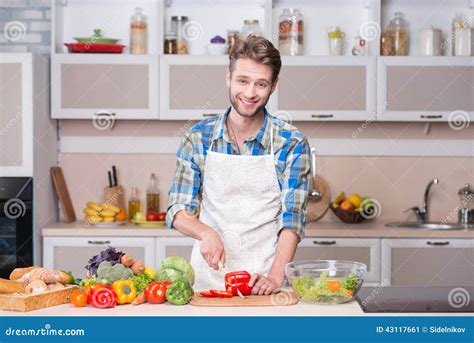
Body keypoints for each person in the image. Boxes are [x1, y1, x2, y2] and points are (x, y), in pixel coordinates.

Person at [166, 35, 311, 295]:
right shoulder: (197, 137)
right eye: (243, 81)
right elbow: (178, 210)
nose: (250, 93)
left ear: (274, 86)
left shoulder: (292, 143)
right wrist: (206, 233)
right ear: (228, 77)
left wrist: (276, 277)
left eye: (261, 84)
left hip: (264, 281)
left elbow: (293, 219)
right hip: (207, 282)